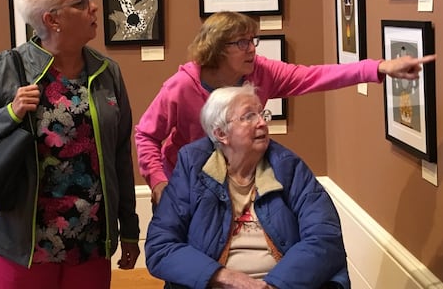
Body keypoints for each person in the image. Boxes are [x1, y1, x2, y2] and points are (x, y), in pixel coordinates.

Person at [0, 0, 140, 288]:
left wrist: (129, 228)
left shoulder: (106, 72)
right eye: (81, 1)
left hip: (89, 241)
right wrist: (9, 113)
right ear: (52, 19)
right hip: (21, 242)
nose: (94, 6)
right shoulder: (5, 69)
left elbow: (120, 157)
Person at [136, 11, 436, 204]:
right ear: (216, 49)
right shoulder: (181, 86)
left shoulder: (262, 73)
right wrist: (160, 182)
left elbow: (316, 76)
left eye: (253, 40)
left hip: (241, 178)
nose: (252, 48)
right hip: (188, 182)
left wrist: (381, 67)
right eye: (241, 43)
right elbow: (146, 136)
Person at [145, 84, 350, 289]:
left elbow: (325, 237)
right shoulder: (193, 166)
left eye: (261, 114)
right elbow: (160, 246)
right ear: (221, 133)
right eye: (249, 116)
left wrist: (273, 285)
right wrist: (223, 276)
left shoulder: (288, 167)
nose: (261, 122)